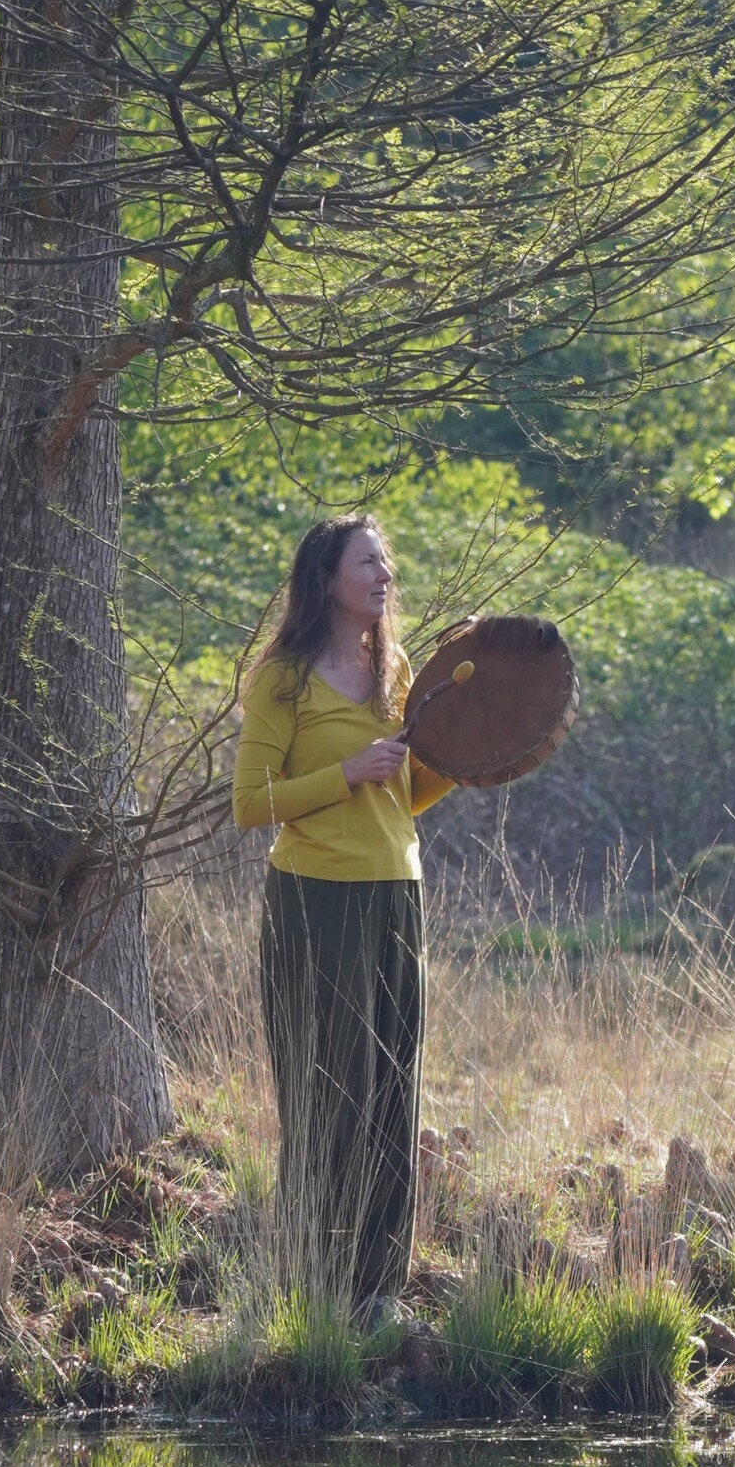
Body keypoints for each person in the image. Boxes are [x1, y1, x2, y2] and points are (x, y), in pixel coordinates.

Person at [232, 514, 455, 1323]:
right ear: (327, 579)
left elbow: (408, 793)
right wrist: (346, 770)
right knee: (331, 1092)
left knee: (396, 1091)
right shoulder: (283, 680)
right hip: (315, 898)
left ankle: (378, 1292)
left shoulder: (398, 674)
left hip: (399, 889)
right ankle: (313, 1282)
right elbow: (250, 806)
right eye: (369, 561)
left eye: (387, 559)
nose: (385, 573)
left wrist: (460, 763)